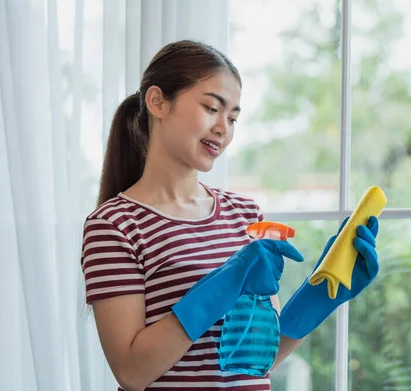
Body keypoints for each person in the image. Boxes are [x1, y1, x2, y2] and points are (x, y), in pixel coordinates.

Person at [80, 40, 380, 391]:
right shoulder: (113, 226)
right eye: (211, 108)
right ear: (158, 102)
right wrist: (223, 284)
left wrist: (320, 297)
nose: (224, 128)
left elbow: (255, 358)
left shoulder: (246, 216)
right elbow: (131, 372)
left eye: (233, 117)